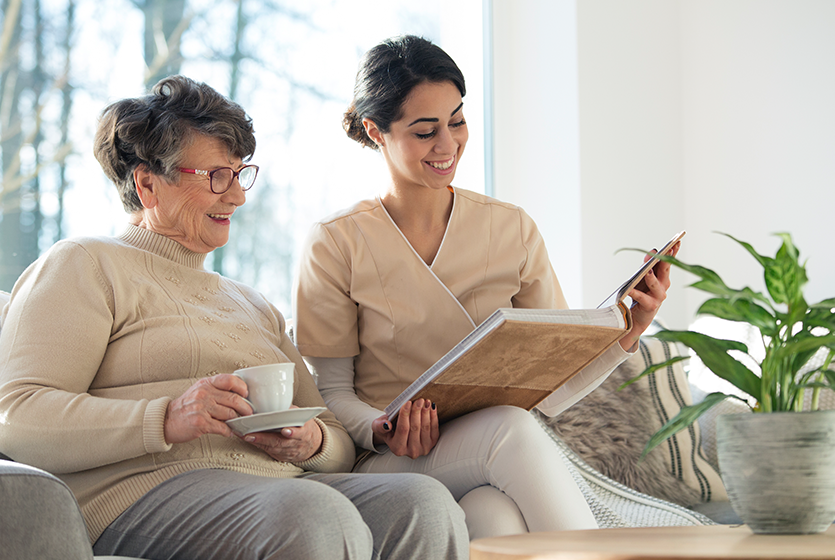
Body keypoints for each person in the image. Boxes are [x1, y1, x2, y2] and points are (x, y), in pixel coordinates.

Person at [0, 75, 469, 560]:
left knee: (422, 502)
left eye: (240, 174)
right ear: (147, 184)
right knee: (309, 512)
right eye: (215, 177)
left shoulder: (253, 303)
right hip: (142, 496)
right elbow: (18, 416)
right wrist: (166, 418)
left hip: (278, 488)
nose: (238, 196)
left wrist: (308, 444)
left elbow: (334, 439)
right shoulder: (86, 263)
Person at [293, 35, 679, 539]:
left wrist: (628, 330)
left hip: (488, 455)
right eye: (425, 130)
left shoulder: (511, 228)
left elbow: (554, 384)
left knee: (492, 516)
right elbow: (332, 393)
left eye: (457, 120)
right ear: (376, 131)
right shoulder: (336, 241)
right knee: (511, 430)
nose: (448, 144)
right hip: (386, 461)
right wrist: (383, 428)